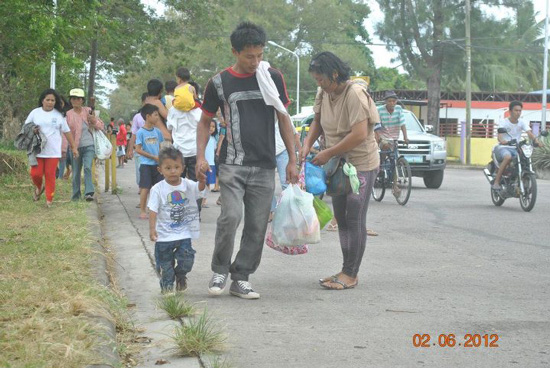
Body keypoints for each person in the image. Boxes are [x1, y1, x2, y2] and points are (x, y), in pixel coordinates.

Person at [196, 21, 298, 299]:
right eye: (249, 56)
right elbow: (205, 122)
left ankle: (241, 277)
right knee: (230, 216)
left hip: (265, 164)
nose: (256, 62)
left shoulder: (272, 77)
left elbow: (283, 118)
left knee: (256, 224)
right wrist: (201, 157)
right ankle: (219, 270)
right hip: (232, 162)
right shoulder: (219, 82)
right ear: (235, 52)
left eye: (260, 55)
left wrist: (292, 159)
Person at [300, 51, 380, 290]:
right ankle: (345, 270)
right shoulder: (323, 92)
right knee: (342, 218)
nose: (319, 84)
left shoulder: (354, 93)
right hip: (336, 164)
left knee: (355, 217)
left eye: (321, 79)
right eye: (316, 80)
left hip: (361, 164)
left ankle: (351, 274)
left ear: (334, 74)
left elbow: (359, 134)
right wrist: (307, 145)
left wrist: (329, 152)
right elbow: (317, 121)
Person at [148, 146, 206, 293]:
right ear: (160, 170)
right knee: (165, 265)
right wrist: (152, 229)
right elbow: (153, 210)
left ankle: (181, 275)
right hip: (164, 236)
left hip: (184, 233)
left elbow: (200, 190)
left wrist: (202, 180)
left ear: (183, 168)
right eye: (168, 168)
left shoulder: (187, 184)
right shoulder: (157, 189)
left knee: (187, 260)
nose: (172, 171)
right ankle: (167, 287)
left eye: (176, 167)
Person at [24, 88, 79, 207]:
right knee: (35, 174)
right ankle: (39, 187)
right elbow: (26, 127)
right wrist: (33, 129)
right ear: (42, 100)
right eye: (47, 100)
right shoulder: (35, 112)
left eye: (52, 100)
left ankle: (49, 200)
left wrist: (74, 147)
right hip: (37, 150)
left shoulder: (59, 115)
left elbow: (67, 132)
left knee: (50, 175)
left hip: (53, 152)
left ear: (55, 102)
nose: (50, 102)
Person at [492, 100, 543, 190]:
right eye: (516, 110)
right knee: (508, 157)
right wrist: (503, 141)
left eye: (520, 111)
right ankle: (496, 182)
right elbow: (499, 136)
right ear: (510, 111)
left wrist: (536, 141)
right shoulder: (503, 122)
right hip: (504, 147)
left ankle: (519, 178)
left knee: (525, 158)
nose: (518, 113)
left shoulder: (522, 122)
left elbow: (529, 133)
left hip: (516, 147)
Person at [64, 88, 104, 202]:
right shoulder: (68, 115)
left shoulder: (88, 111)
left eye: (78, 99)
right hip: (74, 147)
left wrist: (93, 120)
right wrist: (70, 148)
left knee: (87, 167)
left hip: (89, 145)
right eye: (73, 99)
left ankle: (89, 193)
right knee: (76, 171)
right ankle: (76, 195)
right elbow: (66, 133)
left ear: (82, 100)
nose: (75, 101)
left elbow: (101, 126)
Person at [135, 104, 165, 219]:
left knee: (159, 187)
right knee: (145, 187)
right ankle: (143, 210)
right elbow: (138, 149)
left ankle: (157, 209)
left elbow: (161, 147)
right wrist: (153, 157)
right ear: (148, 116)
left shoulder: (158, 132)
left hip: (157, 165)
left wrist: (161, 159)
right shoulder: (141, 132)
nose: (157, 117)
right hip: (146, 164)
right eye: (155, 115)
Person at [127, 92, 148, 188]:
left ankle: (146, 188)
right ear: (142, 102)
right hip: (139, 149)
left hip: (152, 149)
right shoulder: (137, 117)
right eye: (146, 101)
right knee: (140, 170)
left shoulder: (156, 116)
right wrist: (130, 149)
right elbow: (133, 134)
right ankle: (142, 187)